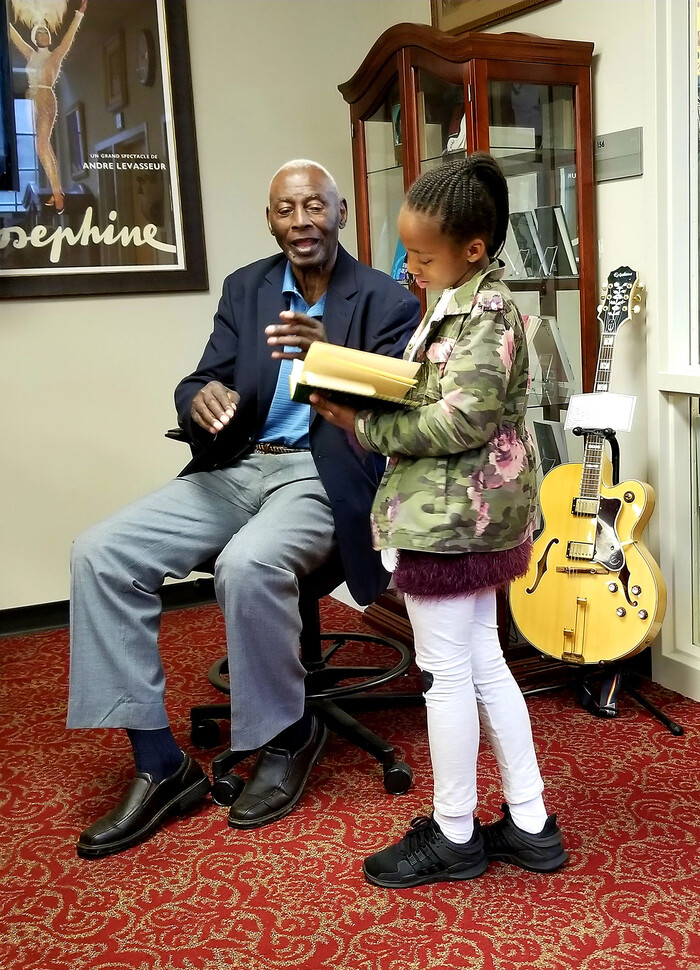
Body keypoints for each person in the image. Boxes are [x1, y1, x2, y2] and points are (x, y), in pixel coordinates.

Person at [67, 159, 421, 859]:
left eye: (314, 207)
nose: (301, 223)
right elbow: (205, 374)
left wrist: (333, 357)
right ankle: (160, 764)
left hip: (321, 476)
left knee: (248, 564)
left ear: (341, 212)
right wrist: (195, 398)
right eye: (286, 210)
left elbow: (402, 400)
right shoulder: (247, 288)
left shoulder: (385, 299)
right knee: (99, 552)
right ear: (270, 219)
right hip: (235, 467)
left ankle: (287, 736)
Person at [310, 153, 568, 888]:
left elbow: (460, 420)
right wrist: (366, 381)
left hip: (451, 520)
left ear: (473, 249)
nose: (409, 268)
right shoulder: (464, 300)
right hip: (464, 513)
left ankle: (455, 833)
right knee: (482, 663)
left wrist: (364, 423)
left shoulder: (486, 312)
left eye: (421, 256)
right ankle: (528, 820)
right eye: (406, 253)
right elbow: (436, 387)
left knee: (446, 675)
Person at [9, 0, 88, 214]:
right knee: (42, 146)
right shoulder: (30, 54)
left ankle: (57, 193)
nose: (44, 36)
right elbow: (13, 34)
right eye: (40, 33)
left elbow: (69, 37)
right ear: (35, 38)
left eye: (46, 33)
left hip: (44, 96)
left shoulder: (55, 55)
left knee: (42, 145)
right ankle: (57, 191)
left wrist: (79, 15)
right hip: (32, 98)